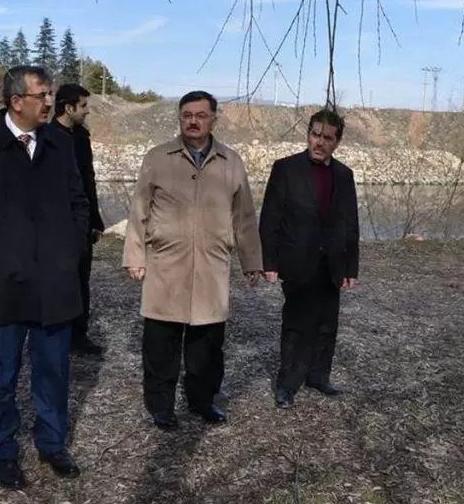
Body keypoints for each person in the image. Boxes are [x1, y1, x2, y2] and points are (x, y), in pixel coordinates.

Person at [0, 65, 90, 490]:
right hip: (3, 284)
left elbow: (79, 201)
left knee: (53, 371)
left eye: (51, 93)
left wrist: (70, 250)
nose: (49, 101)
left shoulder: (61, 144)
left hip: (55, 284)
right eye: (42, 94)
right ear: (16, 101)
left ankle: (52, 442)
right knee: (2, 374)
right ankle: (3, 449)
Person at [122, 90, 263, 430]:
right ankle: (161, 406)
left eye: (201, 114)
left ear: (214, 118)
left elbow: (243, 217)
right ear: (179, 118)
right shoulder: (158, 158)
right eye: (187, 114)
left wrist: (252, 261)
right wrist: (134, 256)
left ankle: (203, 401)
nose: (194, 120)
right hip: (166, 266)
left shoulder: (230, 162)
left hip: (211, 269)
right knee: (161, 345)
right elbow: (139, 210)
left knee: (207, 348)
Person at [259, 106, 360, 409]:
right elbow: (270, 219)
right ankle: (287, 384)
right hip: (297, 261)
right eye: (315, 134)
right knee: (296, 324)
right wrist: (270, 262)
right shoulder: (285, 169)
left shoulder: (344, 175)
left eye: (327, 138)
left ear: (337, 142)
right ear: (308, 135)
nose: (319, 142)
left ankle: (318, 375)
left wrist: (350, 266)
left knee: (327, 323)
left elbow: (350, 223)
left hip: (330, 263)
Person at [53, 83, 106, 357]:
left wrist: (96, 219)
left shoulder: (82, 137)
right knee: (58, 280)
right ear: (68, 107)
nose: (87, 112)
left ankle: (78, 335)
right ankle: (56, 334)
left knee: (81, 280)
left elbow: (89, 180)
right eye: (83, 106)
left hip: (83, 222)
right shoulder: (46, 137)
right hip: (57, 224)